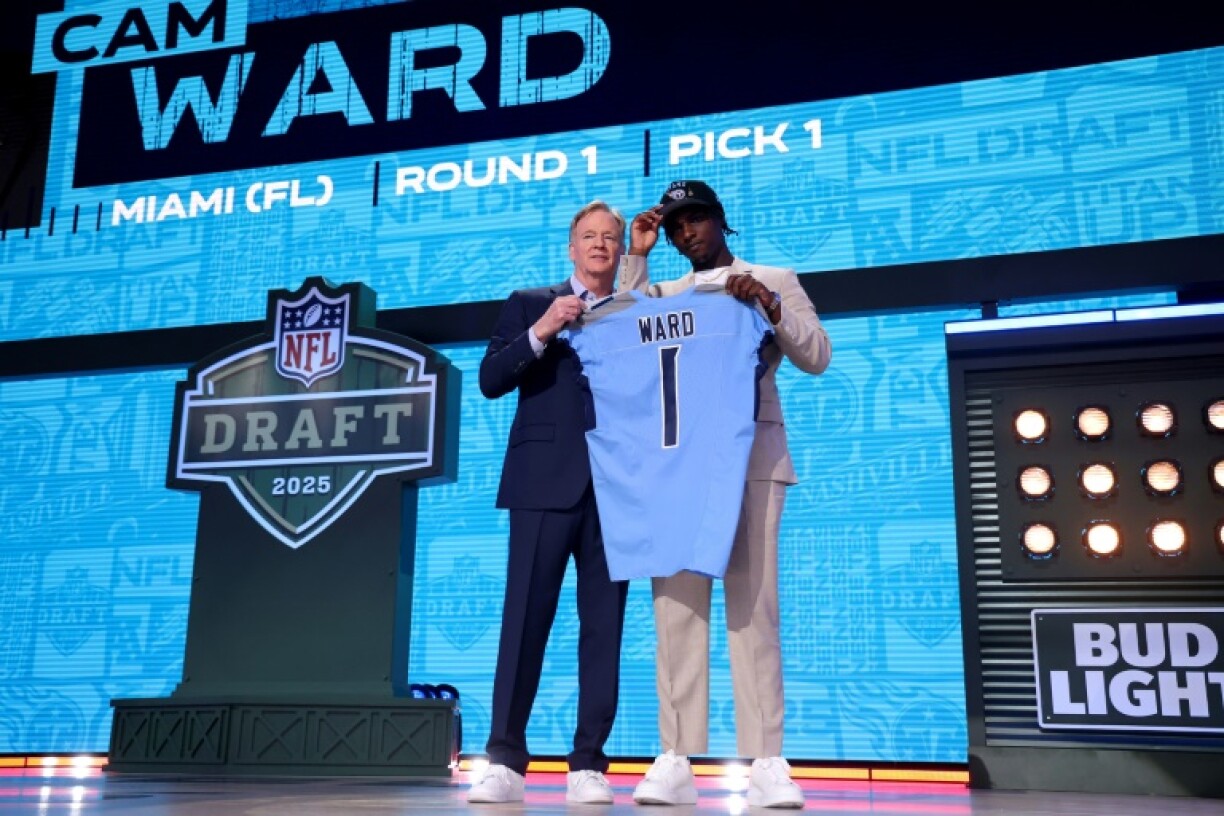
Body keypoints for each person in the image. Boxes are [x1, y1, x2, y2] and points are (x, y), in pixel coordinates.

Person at [620, 180, 832, 809]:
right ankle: (674, 757)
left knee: (753, 610)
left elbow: (817, 355)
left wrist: (767, 303)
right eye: (676, 224)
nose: (687, 232)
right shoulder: (663, 292)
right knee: (676, 613)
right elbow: (619, 334)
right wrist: (638, 254)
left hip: (751, 460)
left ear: (721, 221)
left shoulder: (773, 277)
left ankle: (766, 759)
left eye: (697, 220)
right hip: (678, 467)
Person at [468, 201, 630, 805]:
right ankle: (505, 758)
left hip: (616, 492)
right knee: (524, 624)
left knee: (604, 630)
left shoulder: (637, 312)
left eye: (608, 238)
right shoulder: (530, 302)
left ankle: (589, 762)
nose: (598, 245)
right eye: (587, 237)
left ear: (619, 251)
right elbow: (489, 379)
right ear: (570, 248)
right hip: (541, 486)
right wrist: (543, 331)